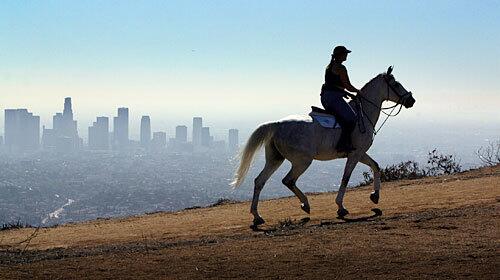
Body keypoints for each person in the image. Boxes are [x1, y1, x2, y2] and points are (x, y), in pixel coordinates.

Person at [320, 45, 362, 152]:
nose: (347, 55)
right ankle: (342, 144)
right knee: (352, 118)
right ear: (340, 55)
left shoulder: (329, 66)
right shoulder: (341, 68)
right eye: (345, 53)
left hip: (326, 97)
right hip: (333, 98)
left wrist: (346, 93)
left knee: (342, 117)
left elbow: (334, 85)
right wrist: (358, 91)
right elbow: (347, 85)